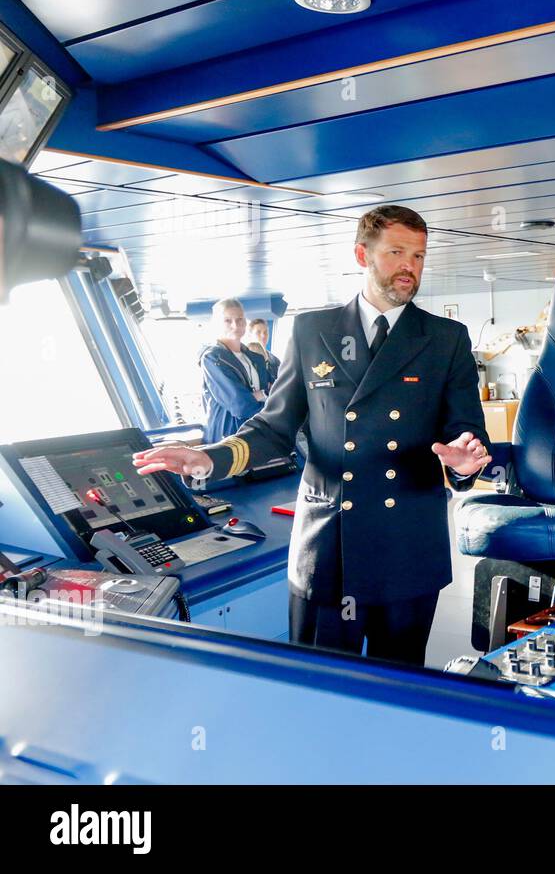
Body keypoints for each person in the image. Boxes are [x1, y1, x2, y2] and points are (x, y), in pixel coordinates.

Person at [136, 205, 492, 665]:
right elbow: (274, 426)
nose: (410, 266)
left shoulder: (445, 338)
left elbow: (465, 429)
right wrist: (210, 458)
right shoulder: (311, 330)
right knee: (318, 684)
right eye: (397, 252)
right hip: (330, 547)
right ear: (362, 254)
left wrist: (465, 462)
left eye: (419, 256)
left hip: (407, 545)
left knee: (401, 690)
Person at [199, 298, 270, 443]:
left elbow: (275, 390)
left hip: (258, 431)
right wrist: (264, 395)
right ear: (216, 323)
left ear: (245, 322)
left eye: (240, 319)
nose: (235, 325)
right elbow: (240, 405)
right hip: (228, 436)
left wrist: (258, 395)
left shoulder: (256, 359)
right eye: (227, 320)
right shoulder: (212, 358)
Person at [245, 317, 281, 388]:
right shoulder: (244, 357)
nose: (263, 335)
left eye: (265, 332)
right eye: (258, 332)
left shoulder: (275, 361)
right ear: (250, 335)